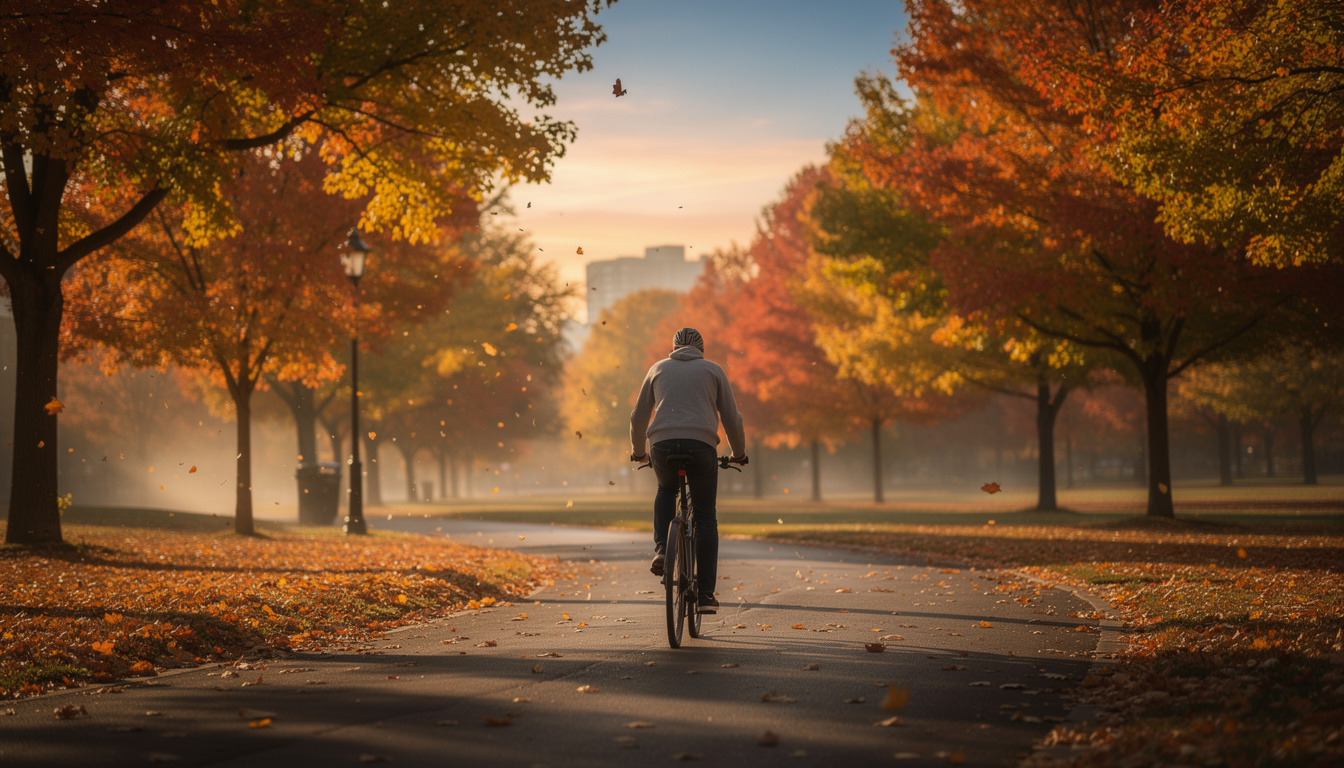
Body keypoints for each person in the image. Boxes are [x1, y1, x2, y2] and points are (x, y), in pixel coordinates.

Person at [630, 326, 747, 613]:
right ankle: (705, 595)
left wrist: (638, 452)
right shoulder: (713, 370)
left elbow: (638, 416)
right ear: (701, 349)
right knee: (705, 516)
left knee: (665, 489)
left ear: (672, 348)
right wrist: (739, 454)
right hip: (701, 446)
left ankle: (661, 549)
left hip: (662, 446)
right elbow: (732, 417)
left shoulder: (657, 368)